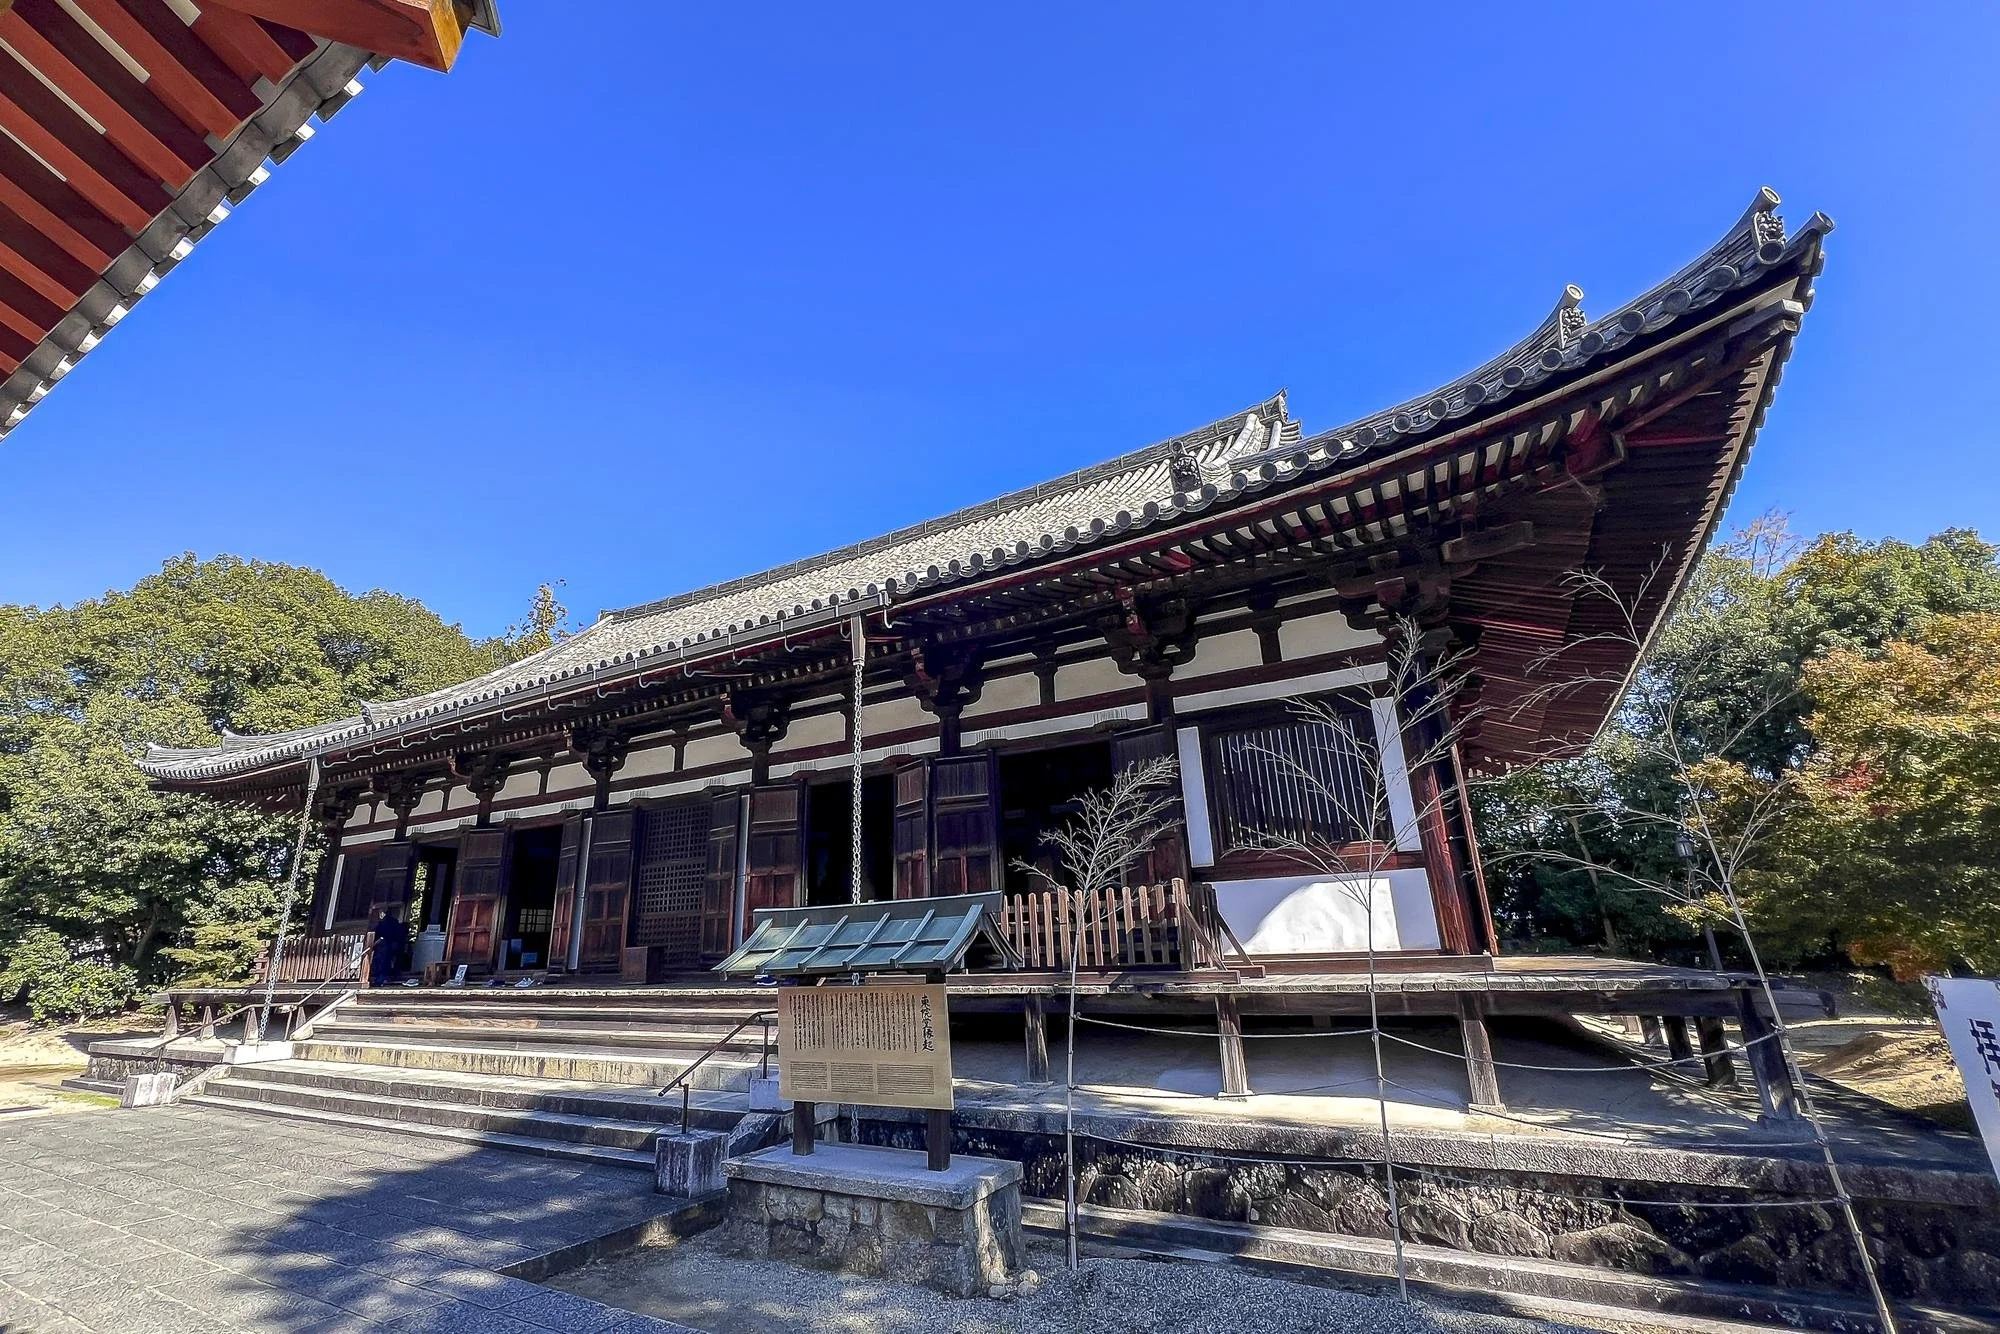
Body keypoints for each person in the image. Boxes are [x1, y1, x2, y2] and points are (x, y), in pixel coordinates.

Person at [369, 905, 410, 987]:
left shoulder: (384, 923)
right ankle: (390, 976)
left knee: (382, 961)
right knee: (385, 961)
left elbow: (378, 934)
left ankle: (381, 978)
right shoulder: (394, 923)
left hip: (385, 946)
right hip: (392, 946)